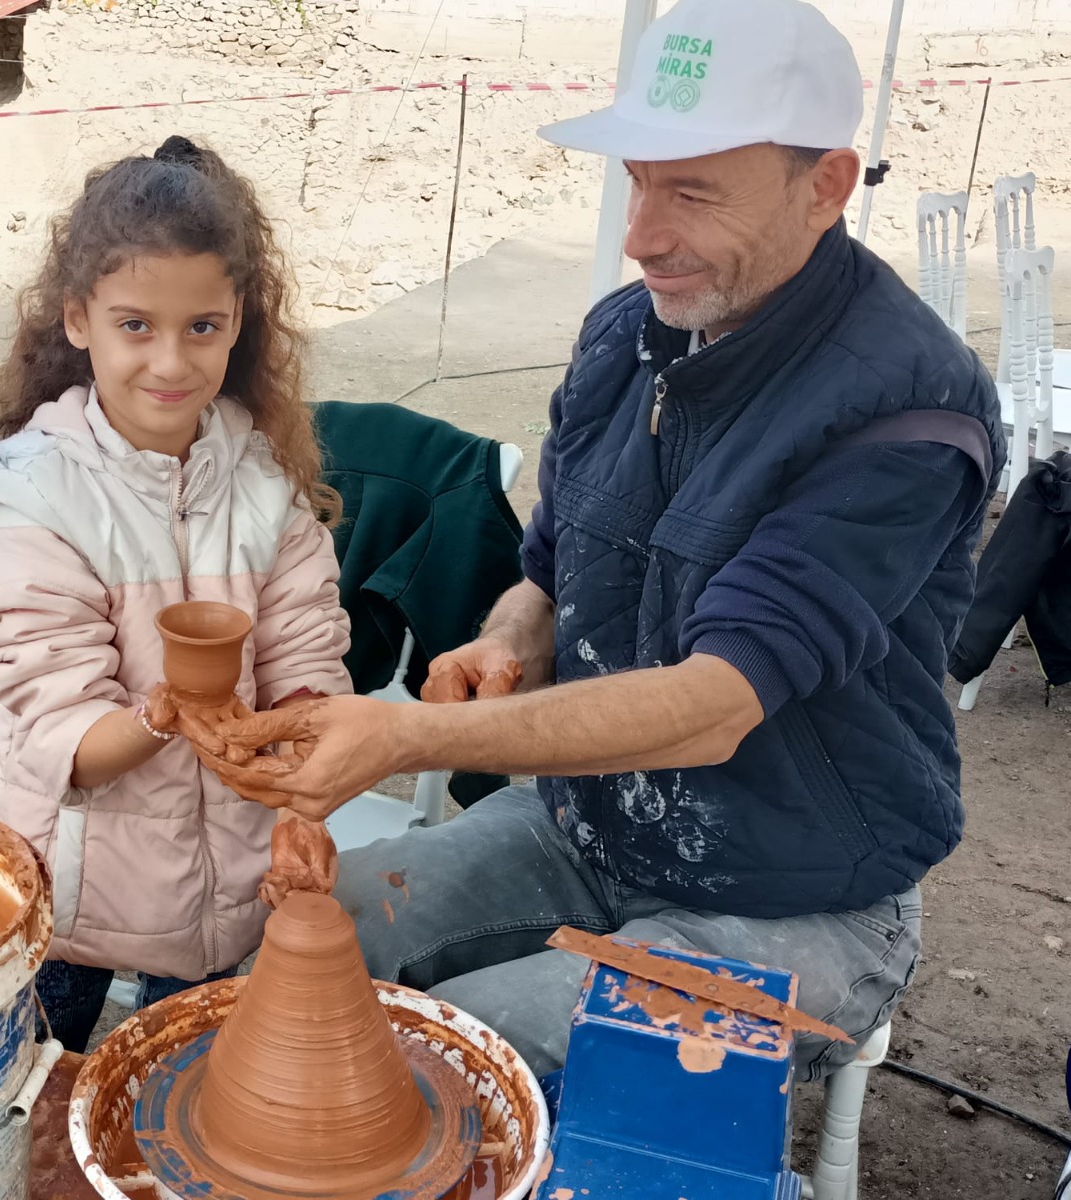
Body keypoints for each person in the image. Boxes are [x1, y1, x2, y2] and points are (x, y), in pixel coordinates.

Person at [198, 0, 1004, 1082]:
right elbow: (550, 569)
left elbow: (718, 704)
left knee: (438, 1074)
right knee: (310, 934)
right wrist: (508, 637)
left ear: (825, 186)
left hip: (798, 901)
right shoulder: (627, 334)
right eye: (636, 179)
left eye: (692, 191)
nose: (640, 234)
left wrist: (405, 740)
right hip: (586, 829)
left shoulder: (904, 413)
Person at [0, 135, 350, 1053]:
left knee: (190, 1092)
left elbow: (305, 661)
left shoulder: (261, 477)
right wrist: (180, 708)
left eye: (201, 327)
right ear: (79, 319)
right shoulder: (34, 491)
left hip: (227, 886)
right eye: (136, 325)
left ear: (240, 319)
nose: (171, 363)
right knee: (29, 1092)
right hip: (71, 885)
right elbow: (71, 746)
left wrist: (299, 804)